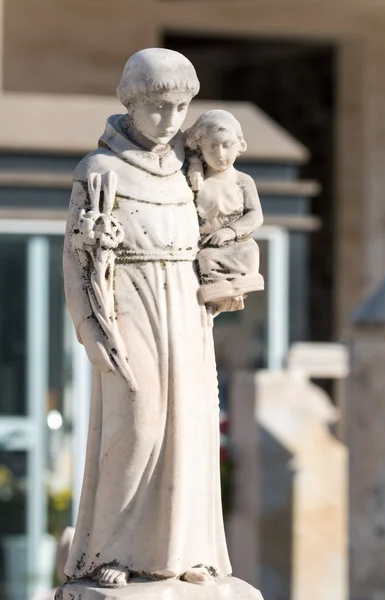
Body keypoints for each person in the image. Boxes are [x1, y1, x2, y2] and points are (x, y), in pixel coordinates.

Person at [63, 48, 232, 589]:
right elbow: (75, 257)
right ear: (131, 103)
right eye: (158, 107)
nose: (171, 120)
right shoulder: (100, 168)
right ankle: (112, 548)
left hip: (184, 304)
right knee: (136, 423)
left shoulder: (189, 171)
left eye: (181, 107)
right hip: (129, 301)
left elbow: (218, 226)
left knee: (190, 425)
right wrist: (91, 328)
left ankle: (185, 550)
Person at [186, 110, 264, 305]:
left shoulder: (243, 181)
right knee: (206, 258)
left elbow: (255, 216)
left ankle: (234, 287)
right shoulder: (196, 181)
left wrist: (230, 232)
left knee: (246, 255)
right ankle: (224, 290)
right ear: (200, 150)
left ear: (240, 145)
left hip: (238, 246)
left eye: (227, 145)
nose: (220, 154)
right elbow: (178, 144)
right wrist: (194, 164)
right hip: (204, 248)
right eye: (211, 147)